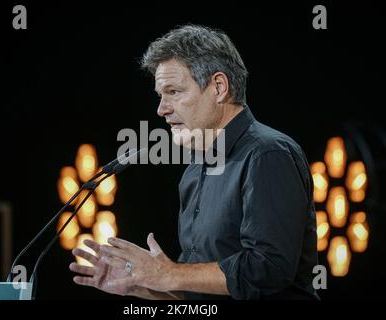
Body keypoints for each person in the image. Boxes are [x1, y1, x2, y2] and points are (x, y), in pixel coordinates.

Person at [69, 24, 319, 300]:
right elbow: (197, 298)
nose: (161, 109)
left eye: (173, 92)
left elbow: (269, 268)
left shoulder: (268, 154)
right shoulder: (194, 170)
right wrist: (139, 286)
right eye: (160, 96)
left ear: (219, 87)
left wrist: (166, 273)